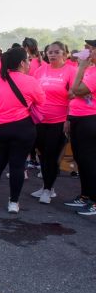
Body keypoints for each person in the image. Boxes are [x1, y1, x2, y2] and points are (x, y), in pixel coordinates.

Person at [0, 47, 45, 213]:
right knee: (17, 166)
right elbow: (41, 100)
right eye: (28, 60)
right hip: (23, 127)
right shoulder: (30, 81)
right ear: (22, 63)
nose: (29, 63)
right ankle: (13, 203)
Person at [30, 41, 77, 204]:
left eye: (57, 52)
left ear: (65, 54)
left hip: (59, 121)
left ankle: (48, 190)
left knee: (51, 155)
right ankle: (47, 187)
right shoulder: (40, 70)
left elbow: (75, 98)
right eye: (50, 52)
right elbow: (33, 91)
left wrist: (68, 119)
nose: (52, 55)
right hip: (40, 119)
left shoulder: (71, 71)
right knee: (42, 155)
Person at [65, 40, 96, 215]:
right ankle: (85, 195)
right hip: (77, 117)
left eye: (92, 49)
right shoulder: (90, 70)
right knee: (81, 159)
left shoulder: (91, 71)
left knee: (90, 160)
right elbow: (71, 92)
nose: (88, 52)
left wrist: (81, 69)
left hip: (90, 119)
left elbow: (76, 91)